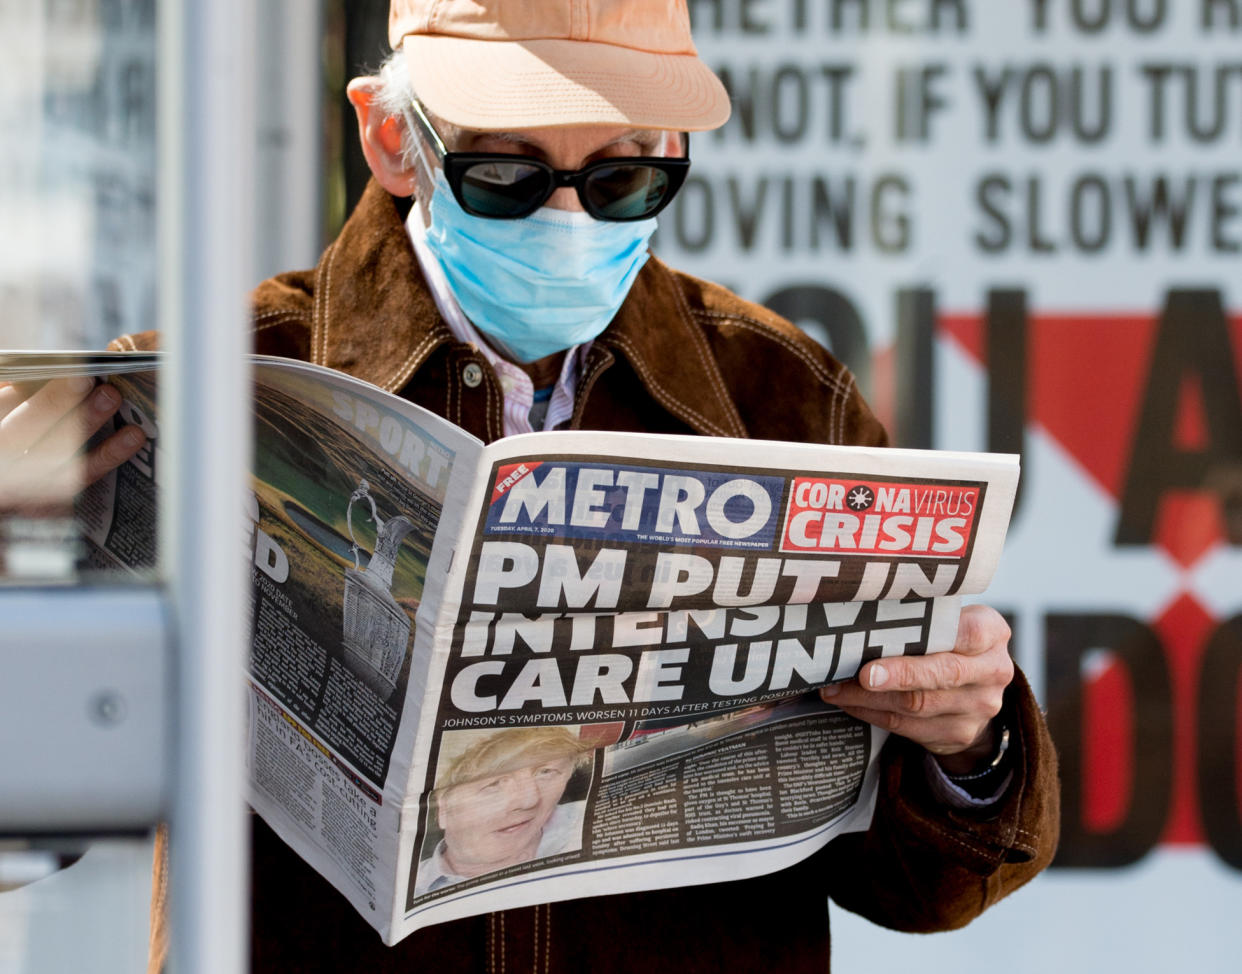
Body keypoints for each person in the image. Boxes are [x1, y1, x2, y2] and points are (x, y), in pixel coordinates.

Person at [2, 1, 1059, 971]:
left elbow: (925, 889)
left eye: (622, 179)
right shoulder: (207, 384)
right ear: (390, 141)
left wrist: (970, 740)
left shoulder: (781, 392)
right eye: (504, 174)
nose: (567, 221)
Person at [414, 727, 593, 895]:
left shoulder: (585, 820)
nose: (529, 801)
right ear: (443, 808)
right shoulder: (414, 885)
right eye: (494, 784)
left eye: (545, 772)